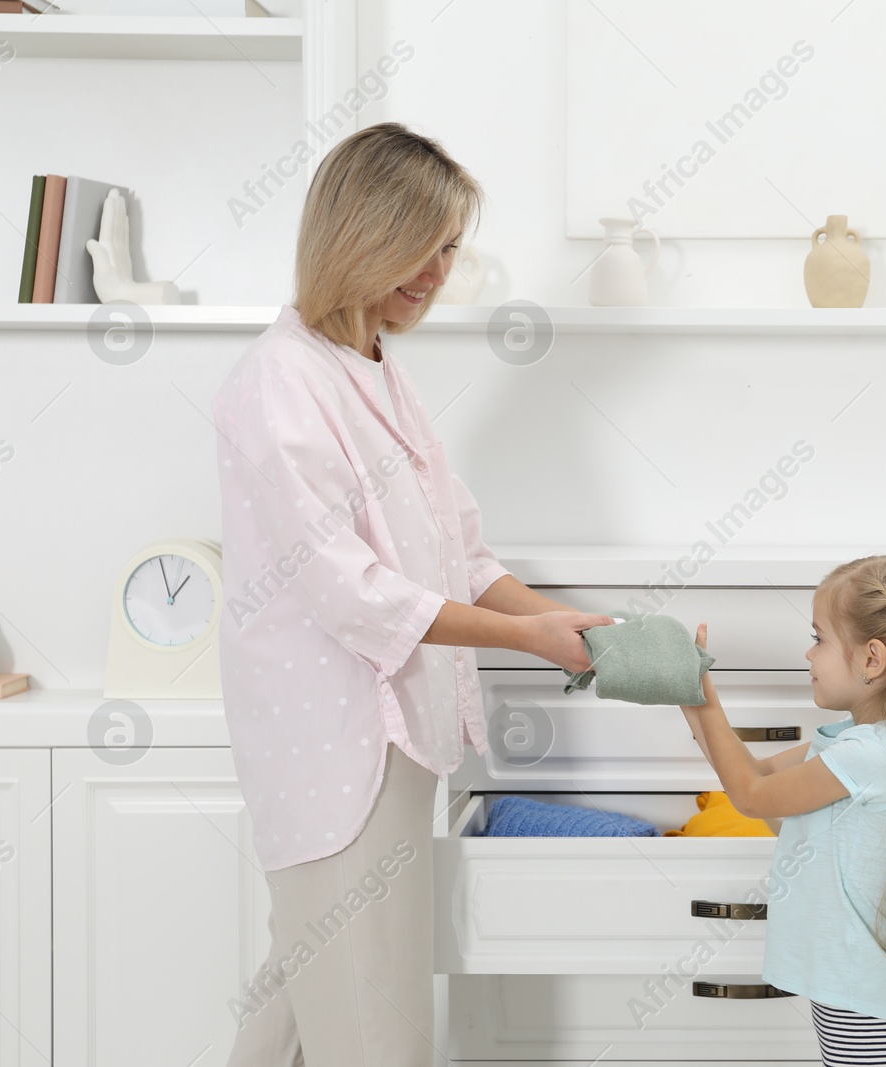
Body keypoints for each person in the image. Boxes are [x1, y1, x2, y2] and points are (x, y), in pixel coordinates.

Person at [213, 122, 612, 1067]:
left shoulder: (380, 372)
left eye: (448, 250)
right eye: (422, 248)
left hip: (394, 733)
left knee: (301, 999)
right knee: (370, 1018)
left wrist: (558, 621)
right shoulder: (281, 382)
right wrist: (532, 638)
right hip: (339, 743)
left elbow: (457, 551)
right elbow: (351, 592)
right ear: (360, 235)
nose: (438, 273)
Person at [679, 554, 886, 1067]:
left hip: (863, 994)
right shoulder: (860, 745)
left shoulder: (866, 757)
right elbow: (751, 772)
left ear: (872, 659)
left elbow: (749, 795)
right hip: (857, 986)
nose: (808, 653)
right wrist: (687, 696)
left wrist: (704, 695)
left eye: (818, 638)